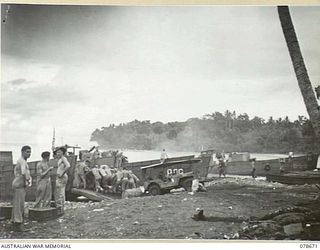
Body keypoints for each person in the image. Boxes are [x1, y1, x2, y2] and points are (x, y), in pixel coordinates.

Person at [11, 145, 32, 232]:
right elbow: (24, 173)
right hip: (19, 185)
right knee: (19, 205)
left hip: (20, 185)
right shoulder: (22, 161)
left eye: (30, 152)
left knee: (18, 204)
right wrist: (28, 181)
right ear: (22, 152)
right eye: (27, 152)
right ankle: (18, 224)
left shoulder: (23, 161)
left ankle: (15, 222)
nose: (29, 154)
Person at [55, 147, 70, 212]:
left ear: (63, 153)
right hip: (61, 177)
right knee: (60, 192)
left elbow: (68, 166)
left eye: (59, 152)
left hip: (62, 177)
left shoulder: (63, 158)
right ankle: (61, 207)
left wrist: (62, 173)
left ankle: (60, 208)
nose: (58, 153)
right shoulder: (61, 159)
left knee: (60, 192)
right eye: (57, 152)